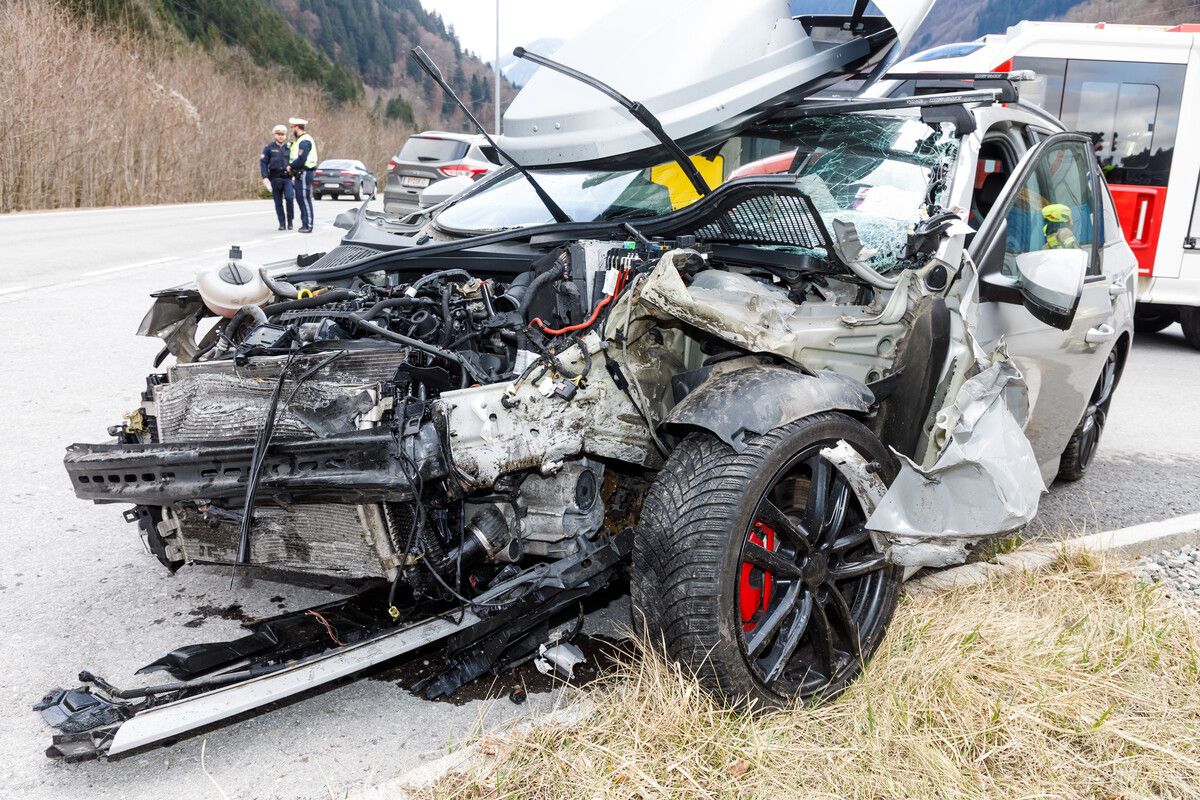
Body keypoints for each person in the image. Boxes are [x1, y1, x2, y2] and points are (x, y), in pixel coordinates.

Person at [260, 124, 294, 230]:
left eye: (282, 134)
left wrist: (294, 174)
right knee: (278, 202)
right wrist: (264, 177)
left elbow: (295, 161)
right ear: (274, 135)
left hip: (287, 178)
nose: (280, 136)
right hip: (274, 178)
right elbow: (263, 163)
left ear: (285, 135)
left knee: (289, 198)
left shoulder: (291, 146)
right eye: (278, 134)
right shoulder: (268, 148)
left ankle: (290, 221)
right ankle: (282, 223)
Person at [288, 117, 318, 233]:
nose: (292, 130)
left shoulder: (305, 141)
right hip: (300, 173)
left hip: (306, 172)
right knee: (300, 198)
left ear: (297, 127)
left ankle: (308, 225)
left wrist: (290, 166)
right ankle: (304, 224)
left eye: (293, 128)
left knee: (305, 199)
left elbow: (301, 159)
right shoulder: (299, 140)